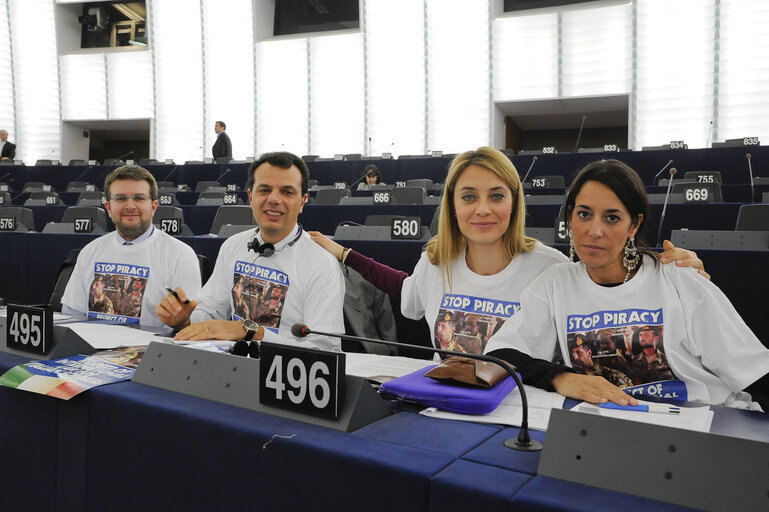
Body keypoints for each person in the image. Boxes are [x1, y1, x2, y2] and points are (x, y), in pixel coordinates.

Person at [309, 147, 706, 357]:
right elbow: (405, 290)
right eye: (469, 197)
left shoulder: (550, 267)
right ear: (452, 205)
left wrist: (672, 270)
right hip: (443, 411)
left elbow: (614, 285)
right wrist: (344, 254)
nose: (482, 209)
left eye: (496, 196)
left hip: (525, 418)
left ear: (514, 203)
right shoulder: (435, 261)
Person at [485, 159, 769, 410]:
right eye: (583, 214)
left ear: (634, 225)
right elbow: (502, 353)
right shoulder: (556, 283)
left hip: (704, 421)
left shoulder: (677, 278)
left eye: (612, 217)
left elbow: (755, 371)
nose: (594, 231)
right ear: (569, 218)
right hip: (606, 426)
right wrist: (561, 377)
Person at [156, 151, 345, 351]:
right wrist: (184, 321)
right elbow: (210, 311)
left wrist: (252, 332)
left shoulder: (322, 264)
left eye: (287, 192)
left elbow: (325, 349)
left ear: (303, 202)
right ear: (250, 197)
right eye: (264, 190)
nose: (273, 199)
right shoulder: (233, 245)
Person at [61, 165, 202, 329]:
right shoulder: (90, 251)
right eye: (120, 198)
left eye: (139, 198)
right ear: (108, 207)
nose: (130, 206)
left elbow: (186, 326)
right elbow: (71, 316)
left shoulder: (181, 255)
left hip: (151, 352)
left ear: (154, 207)